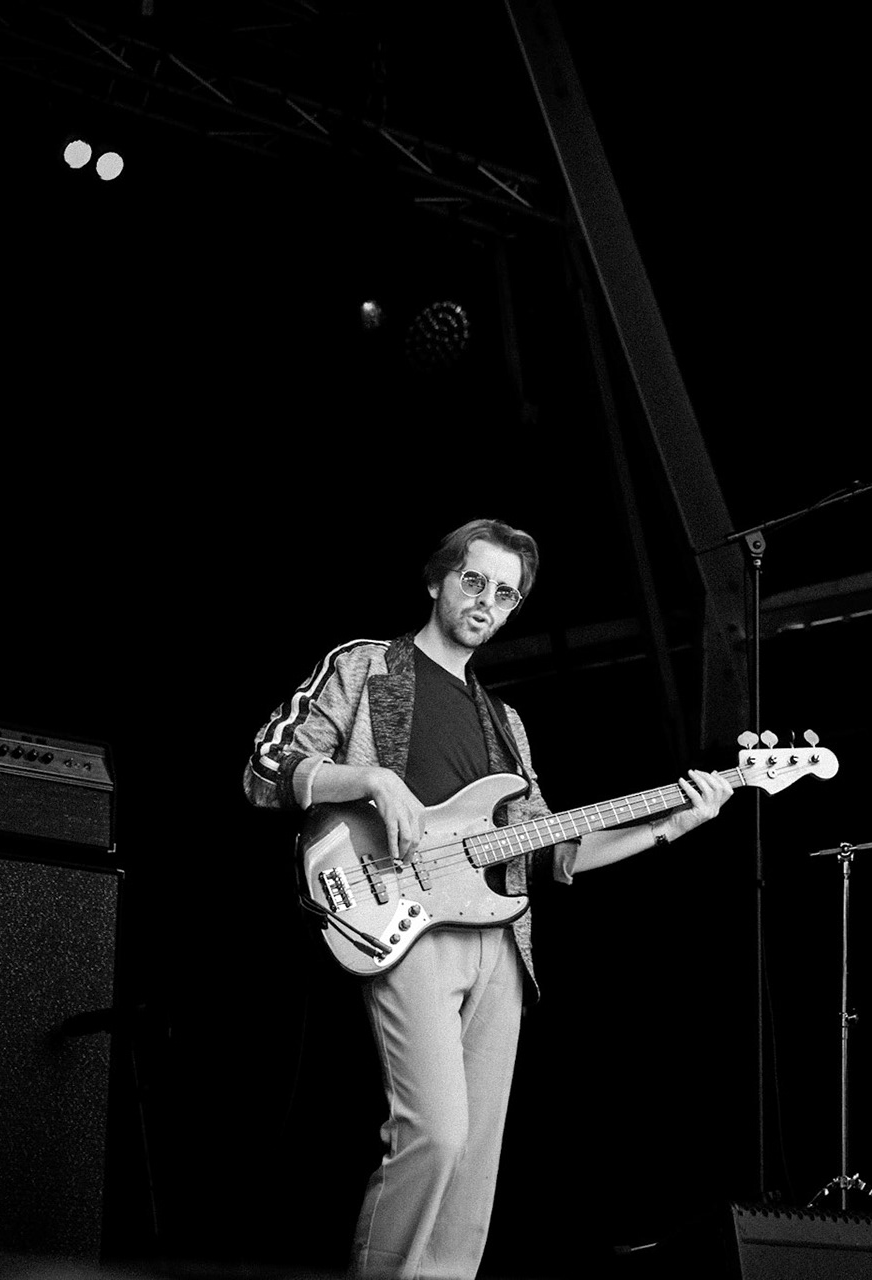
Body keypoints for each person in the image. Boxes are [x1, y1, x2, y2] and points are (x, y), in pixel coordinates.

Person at [242, 518, 733, 1280]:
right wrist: (372, 779)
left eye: (505, 594)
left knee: (472, 1165)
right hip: (406, 923)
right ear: (437, 579)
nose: (487, 601)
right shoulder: (366, 666)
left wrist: (673, 823)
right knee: (436, 1135)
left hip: (502, 942)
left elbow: (559, 852)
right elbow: (268, 767)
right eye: (474, 581)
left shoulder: (507, 727)